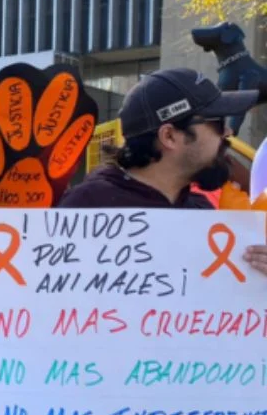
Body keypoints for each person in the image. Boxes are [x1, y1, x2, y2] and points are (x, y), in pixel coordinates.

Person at [56, 68, 267, 275]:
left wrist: (257, 283)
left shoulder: (201, 212)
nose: (228, 132)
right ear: (169, 136)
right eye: (217, 123)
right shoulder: (84, 211)